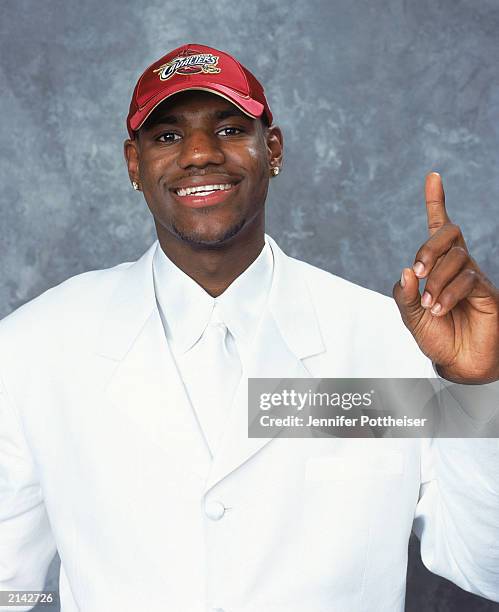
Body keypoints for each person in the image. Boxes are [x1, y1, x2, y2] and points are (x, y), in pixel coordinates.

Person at [0, 43, 497, 612]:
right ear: (133, 164)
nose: (200, 154)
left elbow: (485, 566)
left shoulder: (393, 342)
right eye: (166, 136)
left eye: (231, 128)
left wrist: (479, 388)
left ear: (274, 149)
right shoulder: (33, 349)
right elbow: (8, 586)